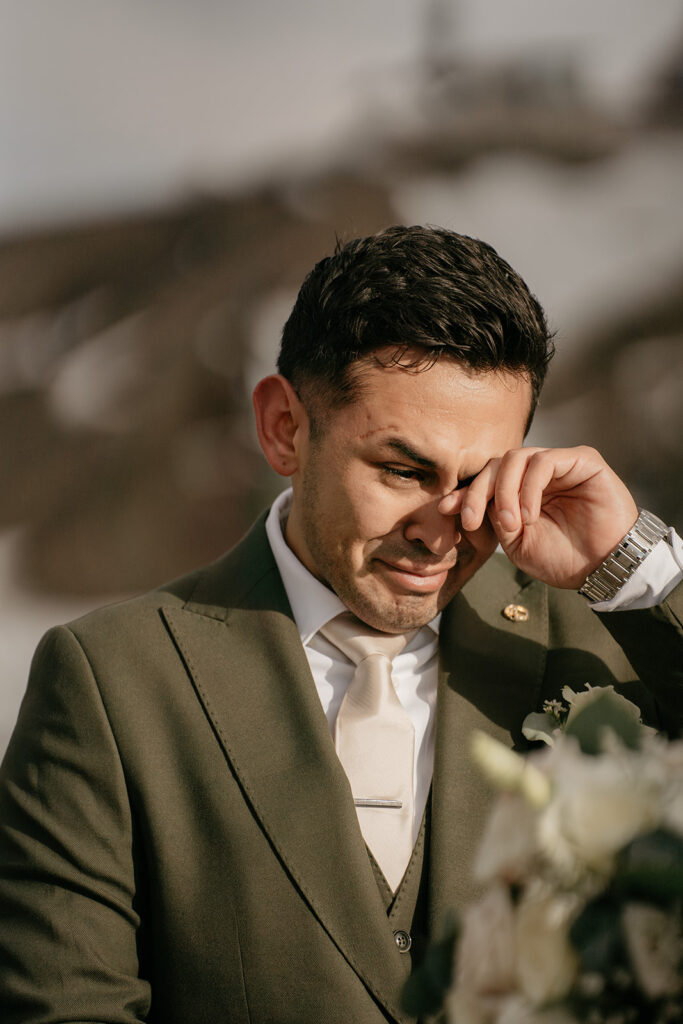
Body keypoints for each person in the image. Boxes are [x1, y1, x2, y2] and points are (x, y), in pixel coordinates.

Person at [0, 226, 681, 1024]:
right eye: (402, 470)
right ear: (285, 427)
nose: (443, 527)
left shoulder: (602, 643)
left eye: (480, 478)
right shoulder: (112, 681)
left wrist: (639, 569)